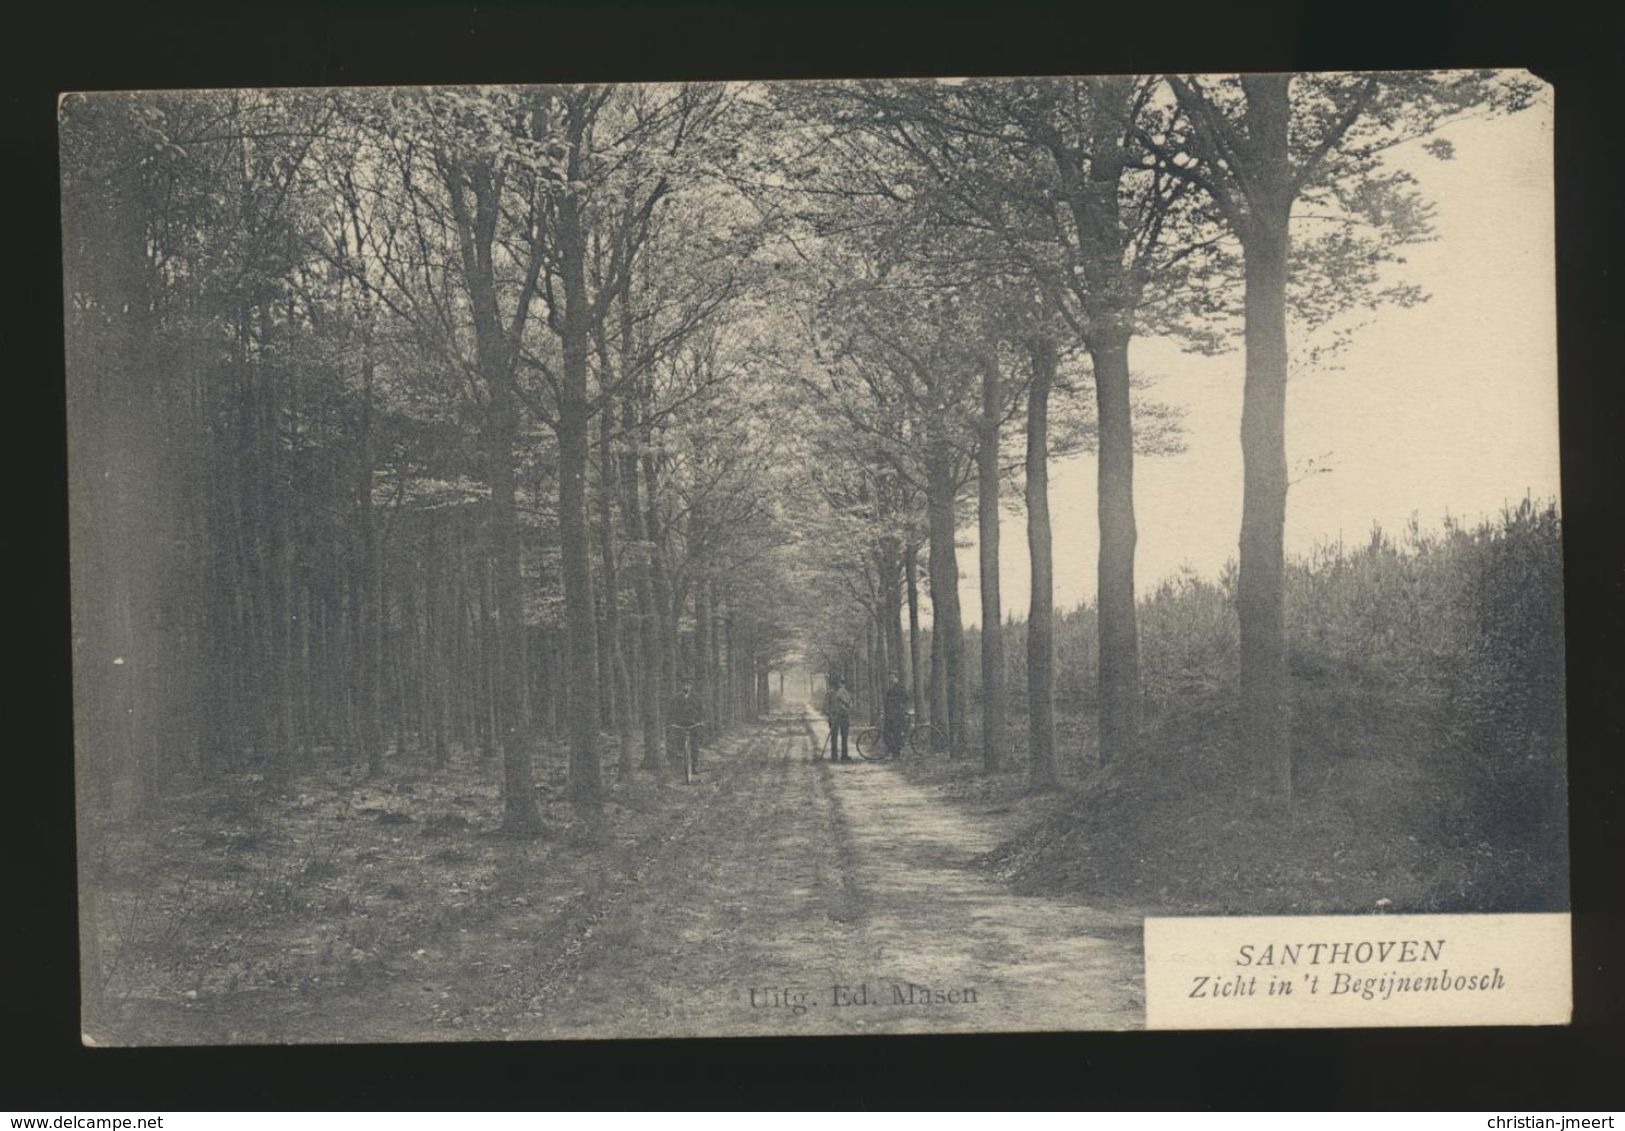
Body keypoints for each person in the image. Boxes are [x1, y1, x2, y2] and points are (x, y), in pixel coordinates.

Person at [670, 679, 705, 773]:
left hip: (694, 724)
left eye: (688, 685)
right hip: (680, 724)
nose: (686, 687)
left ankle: (695, 765)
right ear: (681, 686)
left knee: (695, 745)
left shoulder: (697, 698)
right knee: (678, 743)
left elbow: (702, 711)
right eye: (684, 684)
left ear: (691, 686)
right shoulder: (676, 698)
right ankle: (679, 763)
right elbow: (672, 712)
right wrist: (672, 722)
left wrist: (701, 722)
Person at [824, 675, 854, 762]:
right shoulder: (829, 693)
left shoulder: (845, 692)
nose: (840, 684)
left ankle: (844, 755)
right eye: (838, 683)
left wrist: (846, 704)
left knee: (845, 736)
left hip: (844, 716)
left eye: (841, 682)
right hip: (834, 717)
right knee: (834, 737)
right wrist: (830, 715)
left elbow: (851, 704)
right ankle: (834, 756)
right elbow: (825, 707)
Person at [883, 673, 910, 757]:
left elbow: (906, 697)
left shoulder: (900, 687)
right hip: (890, 714)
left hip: (897, 714)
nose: (891, 679)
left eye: (892, 677)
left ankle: (896, 753)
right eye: (889, 677)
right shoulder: (890, 688)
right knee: (886, 734)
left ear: (896, 678)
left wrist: (898, 703)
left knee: (896, 733)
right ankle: (893, 749)